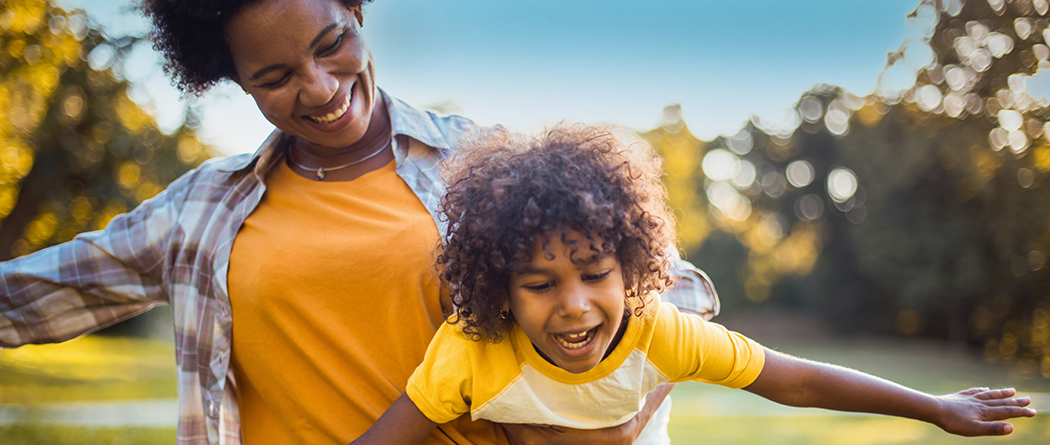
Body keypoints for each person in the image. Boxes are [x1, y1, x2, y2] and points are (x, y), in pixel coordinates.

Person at [0, 1, 718, 444]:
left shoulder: (478, 160)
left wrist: (621, 412)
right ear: (234, 80)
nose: (318, 89)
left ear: (359, 12)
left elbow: (679, 291)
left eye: (330, 44)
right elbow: (32, 294)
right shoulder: (200, 210)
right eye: (274, 78)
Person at [348, 125, 1037, 445]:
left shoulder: (660, 331)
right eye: (540, 283)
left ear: (631, 267)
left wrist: (935, 406)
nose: (576, 303)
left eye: (595, 274)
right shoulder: (467, 350)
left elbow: (791, 379)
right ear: (500, 289)